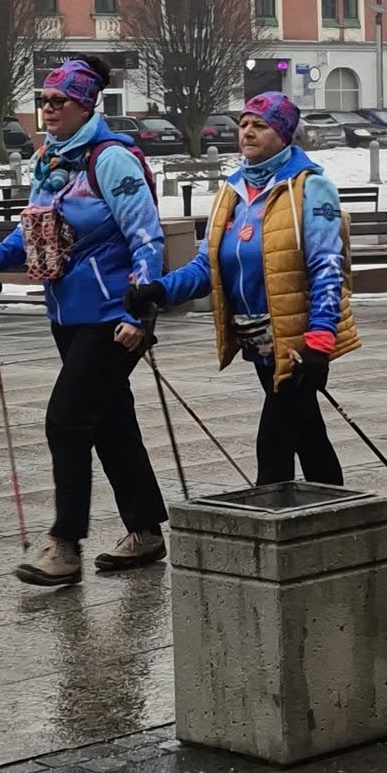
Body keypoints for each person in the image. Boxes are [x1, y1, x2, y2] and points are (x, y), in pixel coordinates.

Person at [0, 57, 168, 586]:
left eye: (59, 101)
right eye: (44, 100)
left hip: (112, 317)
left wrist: (140, 311)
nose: (48, 108)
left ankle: (65, 542)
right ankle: (146, 531)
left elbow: (147, 239)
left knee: (66, 419)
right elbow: (38, 234)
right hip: (67, 313)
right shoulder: (51, 161)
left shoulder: (112, 161)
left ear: (86, 105)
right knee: (110, 421)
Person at [126, 92, 357, 485]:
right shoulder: (232, 192)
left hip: (299, 339)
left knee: (274, 442)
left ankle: (274, 525)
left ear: (284, 134)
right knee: (307, 434)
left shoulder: (310, 188)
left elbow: (327, 269)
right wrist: (160, 291)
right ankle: (339, 521)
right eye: (244, 124)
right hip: (258, 340)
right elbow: (208, 266)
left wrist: (319, 342)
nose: (247, 132)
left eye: (260, 125)